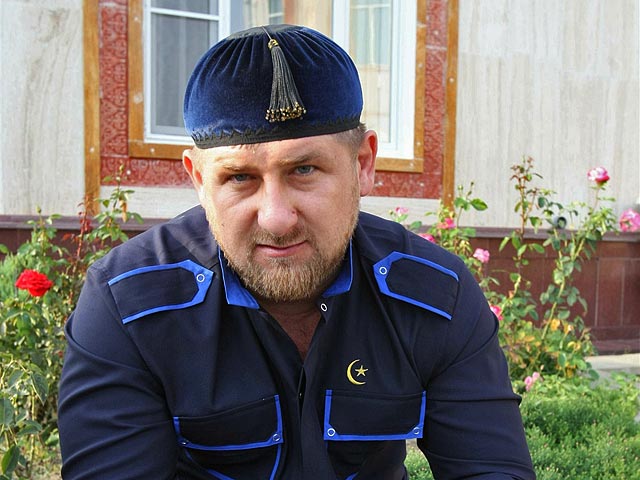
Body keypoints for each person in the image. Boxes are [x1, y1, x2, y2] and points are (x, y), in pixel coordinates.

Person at [58, 24, 535, 479]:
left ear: (363, 164)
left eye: (304, 170)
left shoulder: (436, 296)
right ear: (199, 180)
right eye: (239, 177)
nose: (276, 218)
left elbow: (491, 468)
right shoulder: (128, 305)